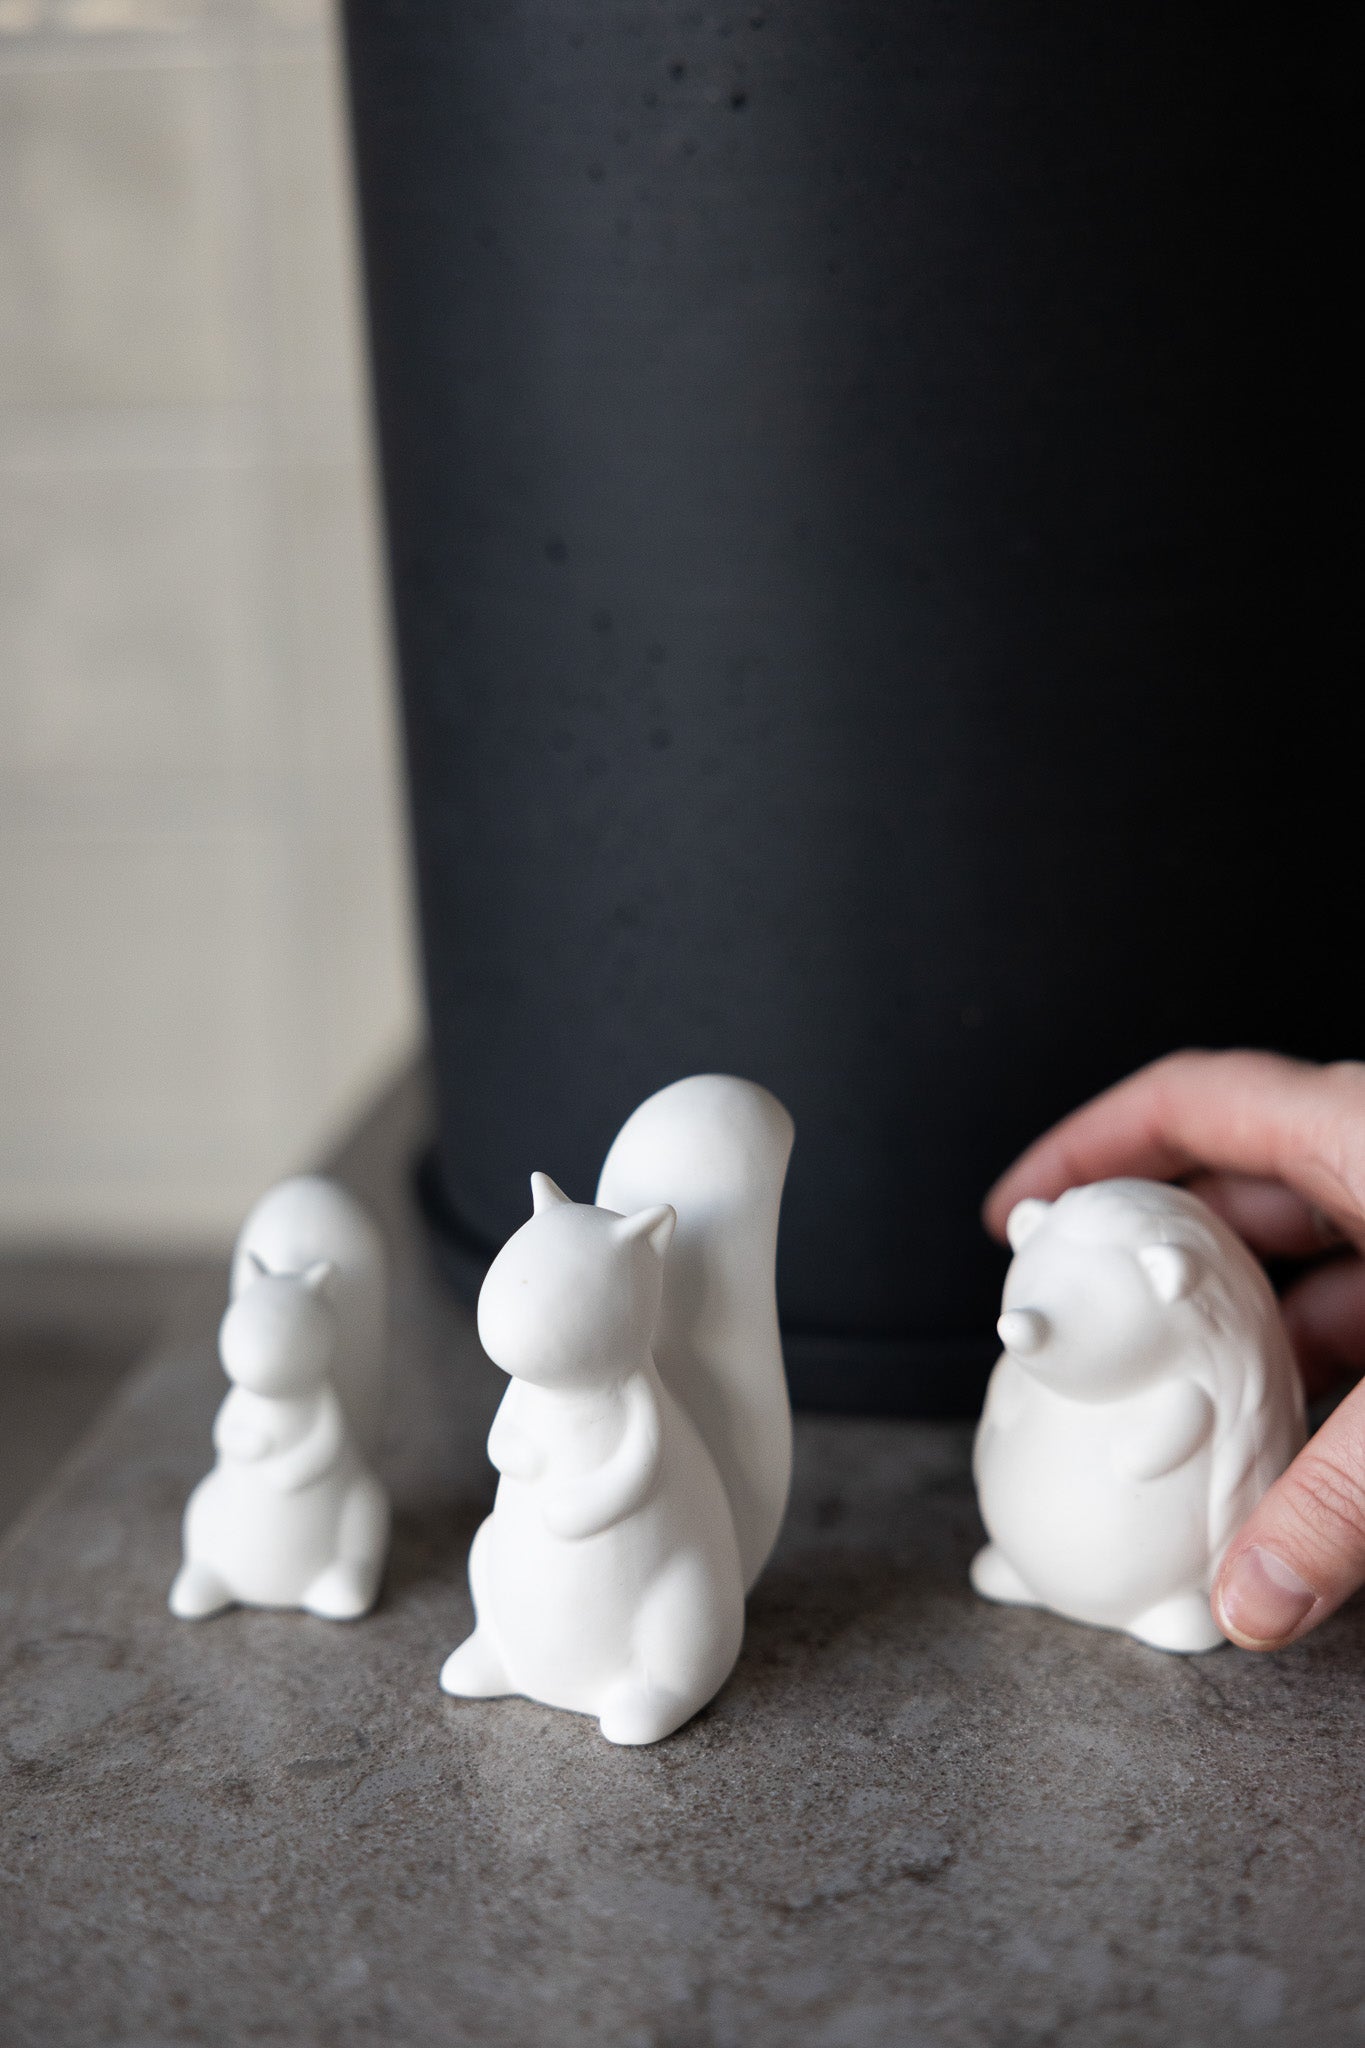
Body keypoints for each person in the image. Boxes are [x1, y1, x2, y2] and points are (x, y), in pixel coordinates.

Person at [983, 1050, 1365, 1653]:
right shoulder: (1026, 1365)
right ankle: (1026, 1567)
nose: (1028, 1325)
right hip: (1022, 1546)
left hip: (1144, 1580)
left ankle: (1164, 1600)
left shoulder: (1184, 1399)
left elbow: (1147, 1452)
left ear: (1170, 1282)